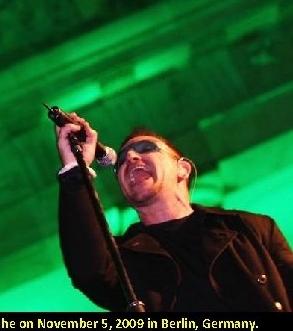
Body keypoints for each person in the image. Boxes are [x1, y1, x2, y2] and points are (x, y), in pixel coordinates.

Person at [54, 112, 293, 312]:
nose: (131, 158)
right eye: (122, 161)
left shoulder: (252, 229)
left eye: (146, 148)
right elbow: (88, 271)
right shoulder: (123, 258)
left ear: (183, 169)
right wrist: (76, 170)